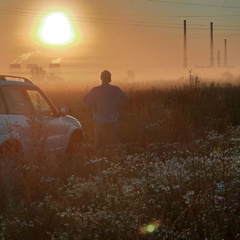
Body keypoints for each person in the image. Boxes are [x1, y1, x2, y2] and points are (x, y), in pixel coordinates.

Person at [82, 70, 129, 148]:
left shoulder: (95, 90)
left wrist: (92, 107)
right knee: (115, 143)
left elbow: (84, 99)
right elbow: (127, 99)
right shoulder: (116, 89)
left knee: (98, 144)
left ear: (101, 78)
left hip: (99, 120)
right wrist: (119, 107)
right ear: (110, 79)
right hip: (113, 120)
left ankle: (100, 157)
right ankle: (115, 157)